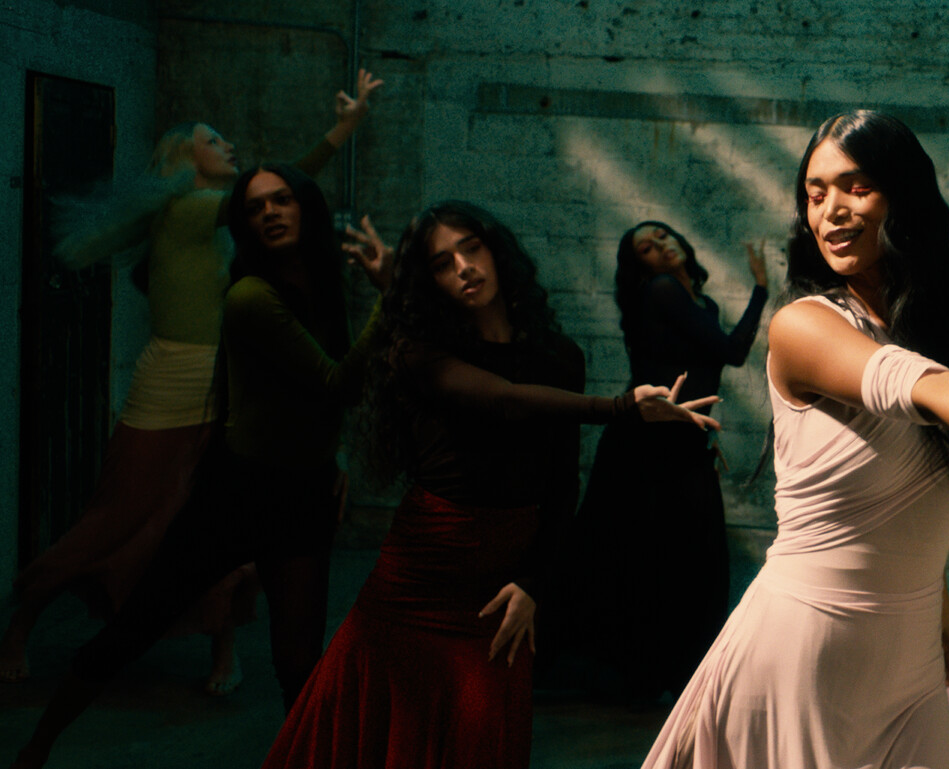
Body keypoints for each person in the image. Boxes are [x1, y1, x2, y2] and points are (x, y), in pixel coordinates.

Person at [641, 110, 949, 769]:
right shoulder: (804, 326)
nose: (830, 211)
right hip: (808, 643)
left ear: (903, 194)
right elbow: (907, 382)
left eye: (855, 187)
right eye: (815, 194)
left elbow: (911, 486)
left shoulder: (946, 334)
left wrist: (932, 596)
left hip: (911, 651)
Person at [260, 201, 716, 769]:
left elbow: (559, 484)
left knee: (479, 738)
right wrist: (622, 407)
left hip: (504, 585)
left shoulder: (558, 356)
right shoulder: (420, 353)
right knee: (375, 734)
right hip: (420, 576)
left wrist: (534, 582)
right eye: (442, 264)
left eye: (471, 248)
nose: (464, 268)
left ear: (495, 250)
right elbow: (504, 399)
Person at [2, 71, 382, 693]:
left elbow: (285, 200)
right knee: (119, 516)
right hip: (171, 385)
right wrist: (339, 132)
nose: (227, 144)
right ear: (185, 155)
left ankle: (221, 651)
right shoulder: (185, 209)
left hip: (224, 389)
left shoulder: (222, 223)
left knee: (216, 517)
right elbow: (286, 190)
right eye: (213, 139)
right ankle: (23, 621)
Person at [556, 221, 768, 700]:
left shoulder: (700, 302)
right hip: (646, 446)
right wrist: (760, 288)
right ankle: (654, 675)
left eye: (662, 236)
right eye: (646, 248)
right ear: (642, 266)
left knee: (682, 559)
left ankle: (674, 674)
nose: (661, 246)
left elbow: (718, 361)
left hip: (681, 445)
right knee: (653, 561)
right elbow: (733, 352)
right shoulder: (662, 289)